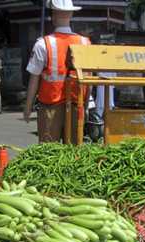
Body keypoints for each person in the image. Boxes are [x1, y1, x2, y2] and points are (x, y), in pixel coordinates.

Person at [23, 0, 91, 143]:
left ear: (53, 15)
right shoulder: (85, 43)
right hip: (75, 107)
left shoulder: (43, 44)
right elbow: (88, 79)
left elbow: (34, 78)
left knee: (49, 154)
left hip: (50, 108)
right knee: (73, 154)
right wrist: (84, 107)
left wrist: (28, 108)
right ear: (71, 14)